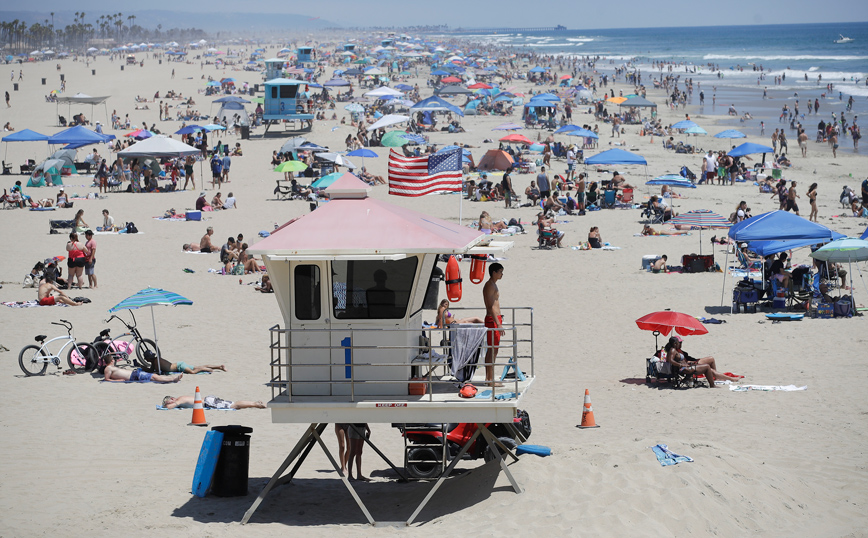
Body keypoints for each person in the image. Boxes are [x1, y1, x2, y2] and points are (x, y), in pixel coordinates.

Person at [664, 336, 741, 387]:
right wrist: (681, 365)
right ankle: (713, 385)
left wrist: (687, 363)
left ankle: (715, 381)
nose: (679, 344)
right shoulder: (673, 350)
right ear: (675, 343)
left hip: (686, 366)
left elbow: (676, 360)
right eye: (678, 342)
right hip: (684, 370)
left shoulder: (673, 350)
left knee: (708, 364)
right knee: (707, 367)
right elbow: (670, 360)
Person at [482, 262, 505, 387]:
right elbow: (490, 306)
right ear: (494, 272)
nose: (502, 274)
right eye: (500, 272)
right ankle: (490, 380)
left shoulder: (493, 285)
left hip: (495, 319)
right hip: (492, 320)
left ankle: (489, 378)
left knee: (493, 349)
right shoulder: (489, 285)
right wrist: (498, 323)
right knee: (492, 349)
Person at [102, 356, 182, 383]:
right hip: (133, 376)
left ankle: (172, 379)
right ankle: (173, 379)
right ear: (111, 360)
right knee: (155, 377)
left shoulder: (111, 368)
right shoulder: (108, 368)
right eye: (113, 359)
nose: (114, 360)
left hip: (135, 374)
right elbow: (107, 379)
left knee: (154, 376)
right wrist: (118, 381)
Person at [142, 350, 226, 374]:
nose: (145, 360)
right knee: (196, 367)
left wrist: (144, 369)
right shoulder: (155, 360)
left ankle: (207, 369)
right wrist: (142, 367)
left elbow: (156, 372)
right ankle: (219, 367)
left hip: (179, 367)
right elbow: (150, 370)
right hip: (179, 364)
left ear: (149, 358)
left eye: (146, 358)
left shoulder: (156, 362)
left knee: (193, 372)